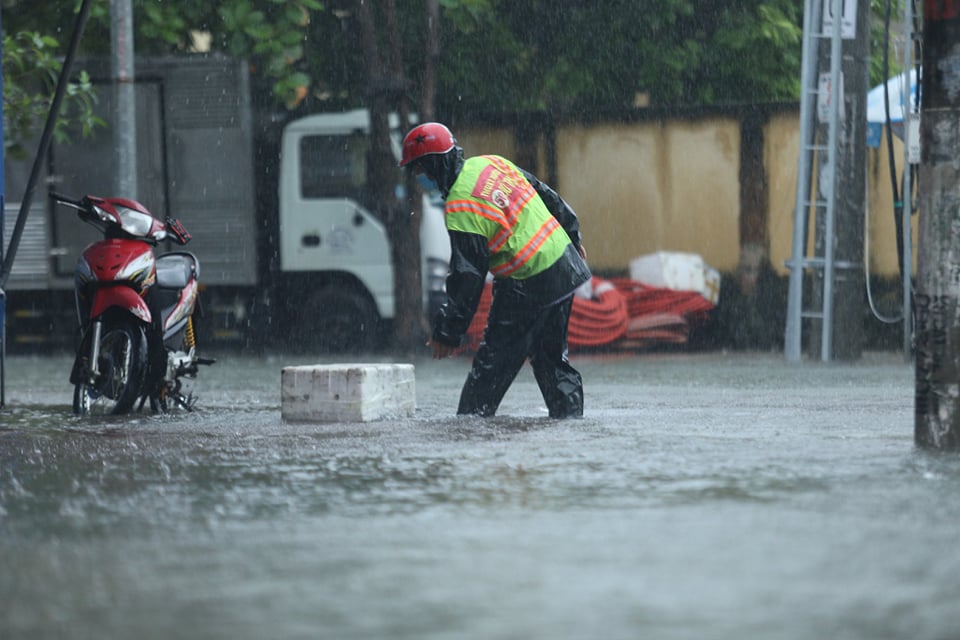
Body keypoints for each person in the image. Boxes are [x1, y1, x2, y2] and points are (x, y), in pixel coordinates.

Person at [400, 122, 591, 418]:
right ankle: (571, 431)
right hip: (563, 267)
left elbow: (468, 276)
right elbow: (544, 192)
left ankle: (468, 432)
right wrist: (573, 233)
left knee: (491, 369)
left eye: (421, 171)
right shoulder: (491, 163)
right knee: (551, 361)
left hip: (527, 283)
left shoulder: (460, 206)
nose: (421, 179)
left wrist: (448, 332)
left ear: (433, 165)